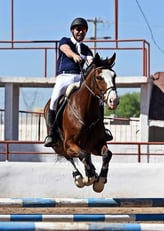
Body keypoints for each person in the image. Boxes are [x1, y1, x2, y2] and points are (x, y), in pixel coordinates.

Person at [44, 17, 113, 147]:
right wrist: (74, 55)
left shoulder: (86, 49)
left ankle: (102, 129)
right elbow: (65, 49)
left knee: (98, 101)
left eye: (84, 30)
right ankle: (52, 134)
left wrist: (98, 64)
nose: (81, 32)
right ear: (72, 30)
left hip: (80, 78)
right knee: (54, 100)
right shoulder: (65, 41)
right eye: (78, 29)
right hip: (65, 77)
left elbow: (90, 60)